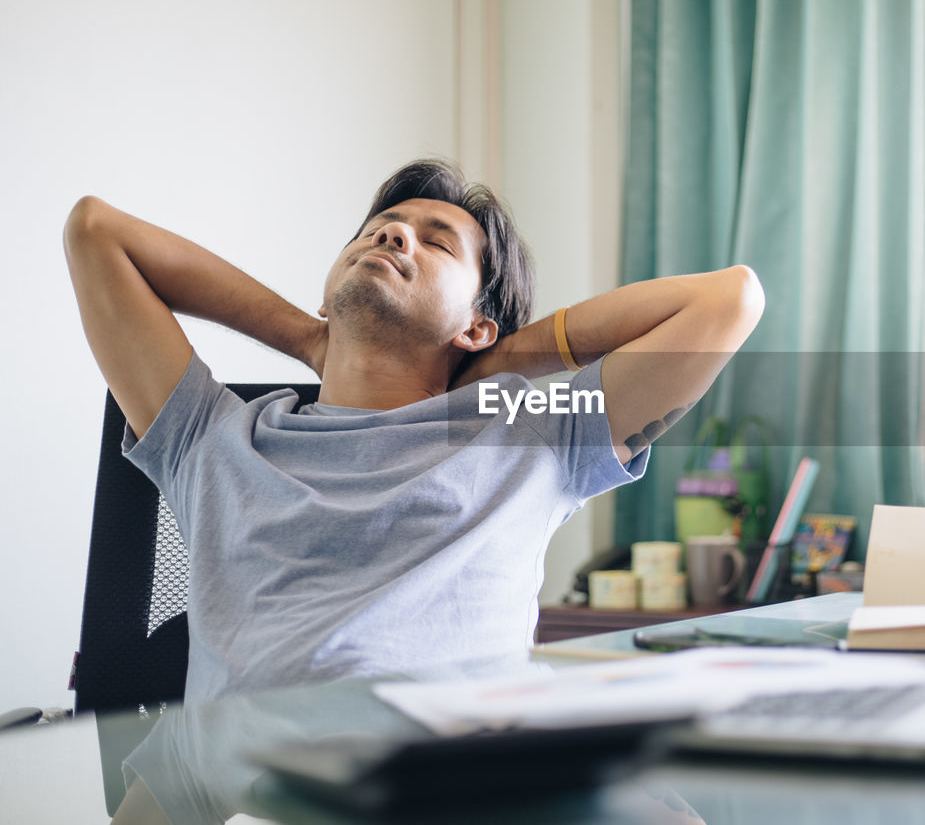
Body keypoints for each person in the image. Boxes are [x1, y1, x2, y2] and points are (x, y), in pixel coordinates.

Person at [63, 158, 764, 705]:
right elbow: (96, 231)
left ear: (477, 325)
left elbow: (729, 299)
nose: (391, 234)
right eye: (379, 228)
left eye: (438, 243)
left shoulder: (533, 436)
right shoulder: (212, 437)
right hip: (261, 794)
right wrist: (313, 337)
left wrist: (506, 358)